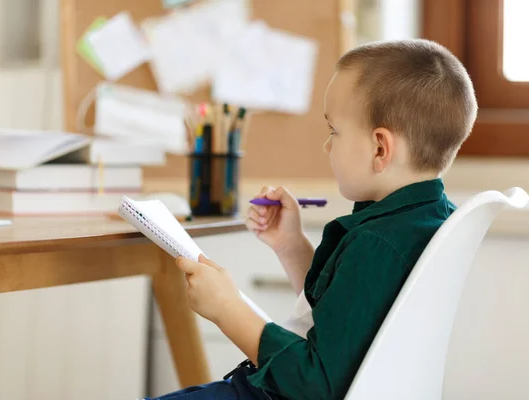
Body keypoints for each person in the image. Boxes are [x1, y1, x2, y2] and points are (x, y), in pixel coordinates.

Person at [146, 38, 478, 400]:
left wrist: (227, 308)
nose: (327, 145)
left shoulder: (379, 243)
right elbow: (348, 316)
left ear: (380, 148)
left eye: (333, 130)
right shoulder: (425, 219)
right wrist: (291, 246)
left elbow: (315, 383)